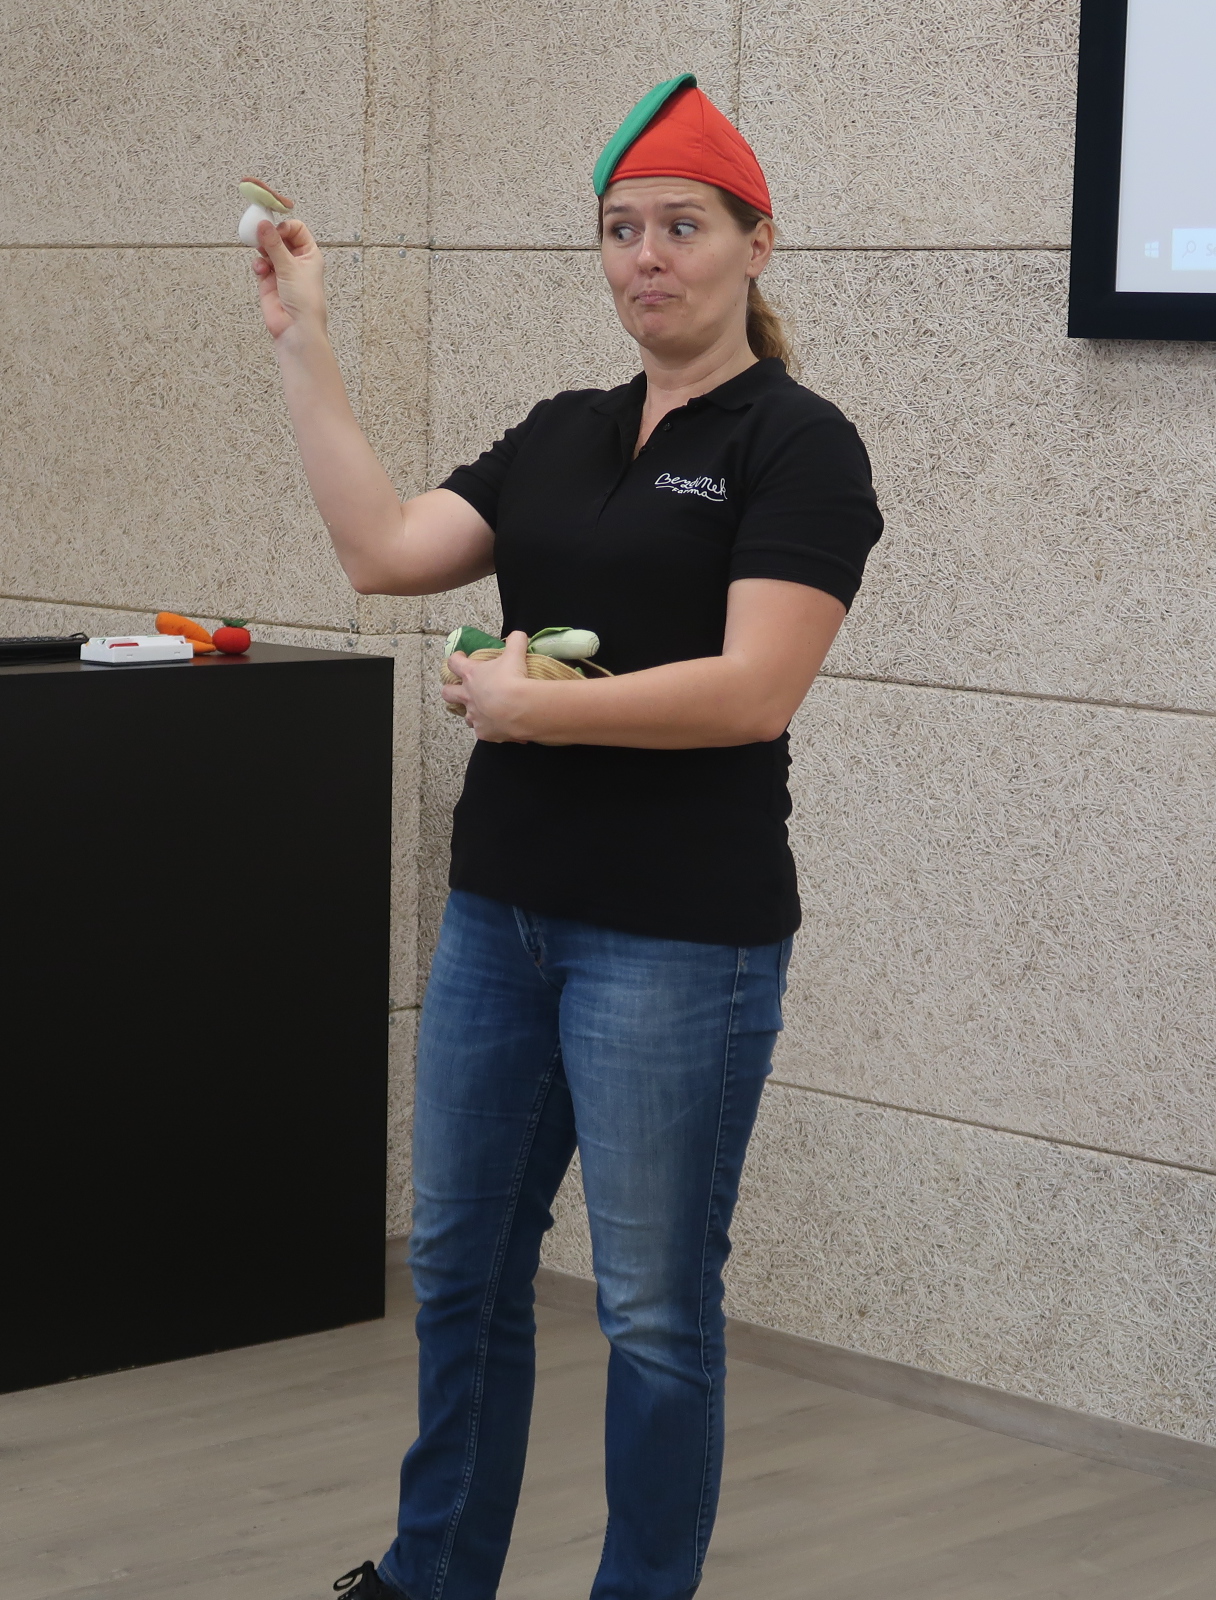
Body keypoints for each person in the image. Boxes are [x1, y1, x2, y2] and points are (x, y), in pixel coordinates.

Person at [250, 73, 884, 1600]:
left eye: (683, 227)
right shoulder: (562, 431)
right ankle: (432, 1576)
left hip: (681, 942)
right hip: (504, 918)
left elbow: (753, 691)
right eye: (621, 229)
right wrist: (302, 339)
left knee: (654, 1312)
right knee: (460, 1270)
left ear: (756, 245)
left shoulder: (798, 446)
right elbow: (382, 548)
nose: (646, 257)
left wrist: (534, 710)